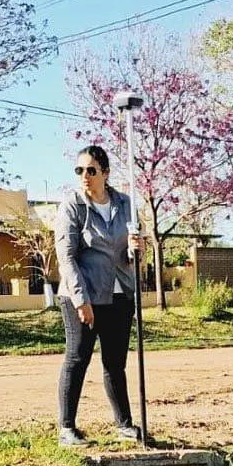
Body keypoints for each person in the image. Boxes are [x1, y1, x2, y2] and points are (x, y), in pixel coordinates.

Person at [53, 145, 143, 447]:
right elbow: (67, 257)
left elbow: (128, 257)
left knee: (115, 363)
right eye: (79, 170)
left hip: (119, 294)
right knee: (77, 358)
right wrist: (81, 300)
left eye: (91, 170)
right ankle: (67, 428)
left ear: (105, 173)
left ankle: (125, 425)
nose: (84, 176)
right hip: (84, 296)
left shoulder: (125, 204)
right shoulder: (72, 207)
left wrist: (134, 249)